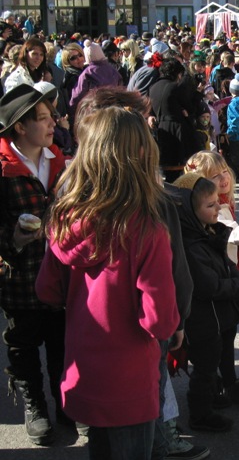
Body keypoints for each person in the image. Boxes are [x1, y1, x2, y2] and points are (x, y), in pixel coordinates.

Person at [73, 86, 210, 460]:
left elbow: (48, 288)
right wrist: (177, 319)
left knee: (102, 439)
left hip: (87, 350)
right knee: (141, 435)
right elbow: (163, 298)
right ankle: (163, 443)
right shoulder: (152, 213)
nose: (150, 125)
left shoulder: (69, 207)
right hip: (136, 355)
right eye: (140, 122)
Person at [35, 104, 180, 460]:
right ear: (141, 155)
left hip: (84, 374)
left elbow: (47, 290)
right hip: (129, 383)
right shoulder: (147, 230)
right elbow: (159, 321)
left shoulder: (64, 219)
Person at [0, 84, 70, 446]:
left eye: (51, 116)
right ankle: (35, 406)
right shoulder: (3, 169)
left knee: (61, 344)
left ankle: (65, 403)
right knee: (23, 346)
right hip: (20, 277)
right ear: (20, 127)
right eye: (43, 118)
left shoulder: (57, 159)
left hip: (59, 274)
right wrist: (12, 239)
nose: (52, 124)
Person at [172, 172, 239, 428]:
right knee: (205, 367)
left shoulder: (206, 233)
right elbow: (210, 286)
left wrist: (237, 278)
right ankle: (200, 414)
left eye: (217, 201)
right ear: (189, 212)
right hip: (203, 320)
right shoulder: (191, 246)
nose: (218, 207)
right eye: (210, 205)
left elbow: (225, 265)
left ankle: (213, 395)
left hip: (217, 317)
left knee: (214, 359)